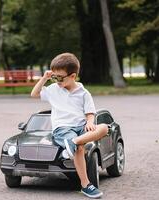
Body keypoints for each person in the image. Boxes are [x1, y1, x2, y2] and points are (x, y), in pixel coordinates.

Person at [30, 52, 108, 199]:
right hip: (63, 128)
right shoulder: (53, 89)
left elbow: (90, 112)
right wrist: (45, 78)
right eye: (54, 77)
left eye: (59, 78)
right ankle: (86, 185)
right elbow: (34, 94)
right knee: (79, 149)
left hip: (80, 128)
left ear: (73, 76)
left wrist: (90, 122)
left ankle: (72, 143)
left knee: (104, 128)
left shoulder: (84, 93)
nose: (56, 81)